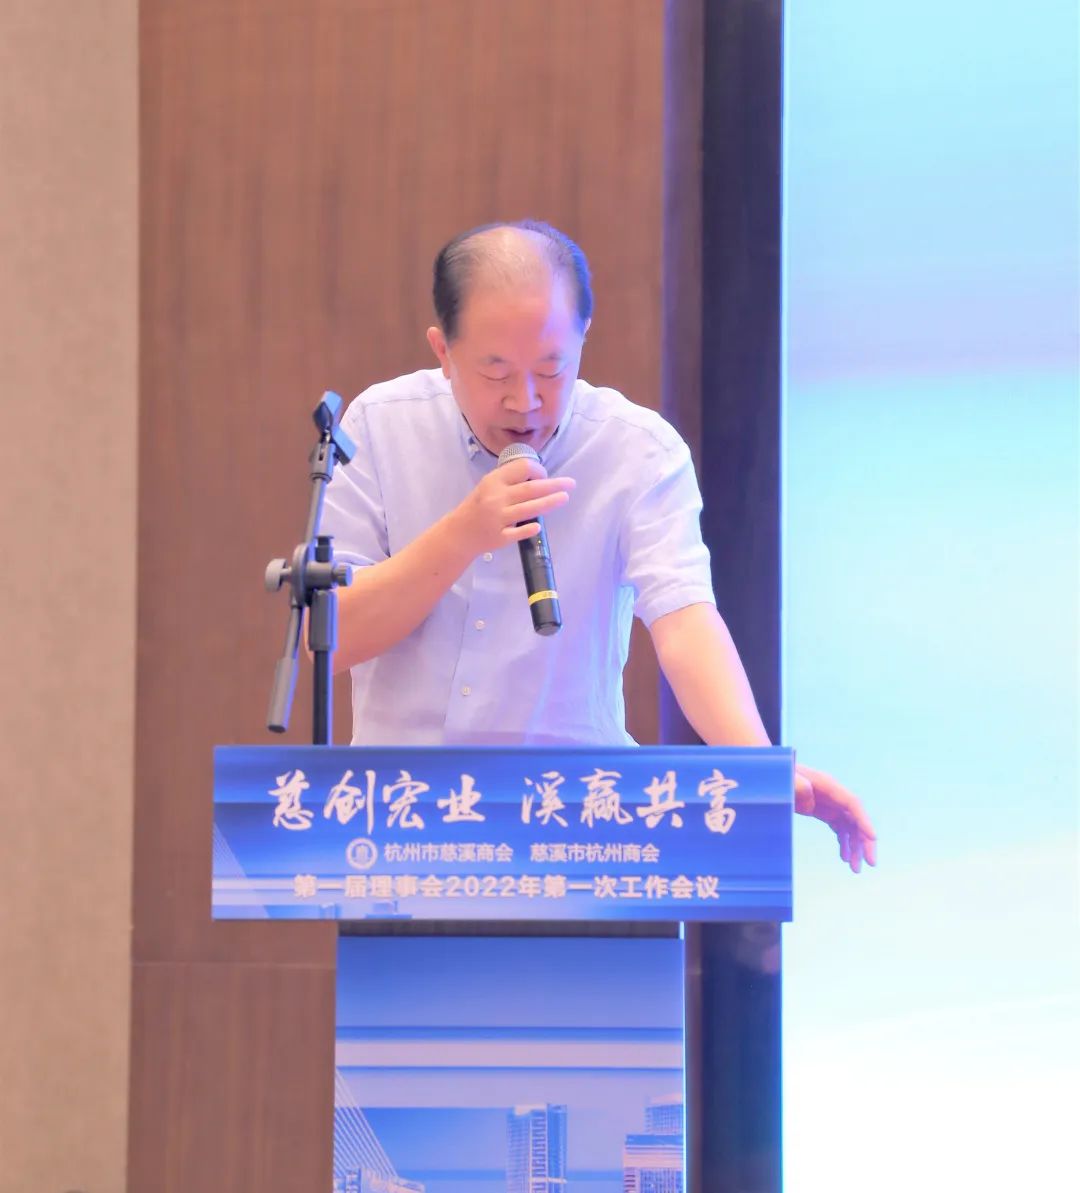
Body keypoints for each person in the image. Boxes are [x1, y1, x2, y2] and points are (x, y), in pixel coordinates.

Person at [322, 220, 876, 873]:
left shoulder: (637, 450)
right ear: (443, 350)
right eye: (495, 371)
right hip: (398, 828)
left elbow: (685, 622)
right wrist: (463, 534)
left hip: (575, 830)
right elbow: (331, 636)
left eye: (551, 369)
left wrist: (758, 766)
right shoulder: (377, 427)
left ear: (584, 337)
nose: (525, 400)